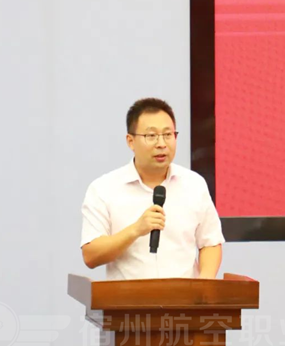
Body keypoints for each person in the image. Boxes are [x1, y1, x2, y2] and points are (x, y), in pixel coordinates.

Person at [80, 98, 224, 280]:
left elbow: (210, 242)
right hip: (128, 297)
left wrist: (205, 282)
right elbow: (91, 255)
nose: (161, 144)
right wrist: (135, 230)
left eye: (168, 135)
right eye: (151, 136)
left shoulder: (194, 184)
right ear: (131, 141)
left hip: (185, 297)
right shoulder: (103, 189)